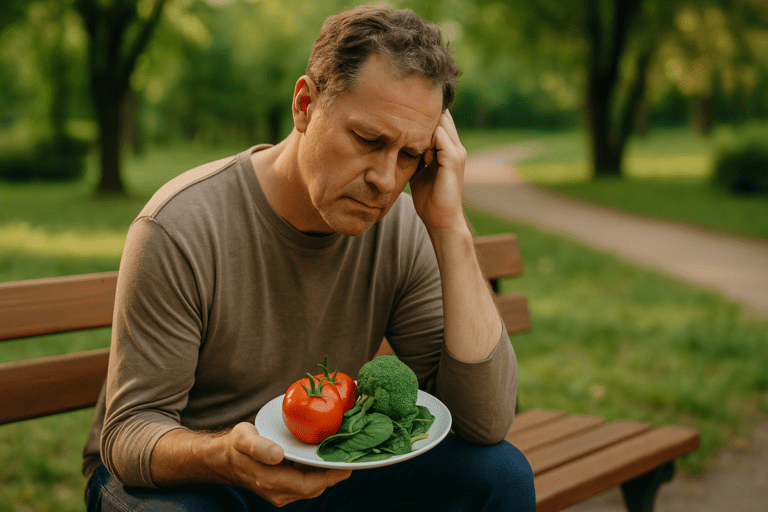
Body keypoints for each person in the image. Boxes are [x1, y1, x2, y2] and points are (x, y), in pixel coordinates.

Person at [83, 5, 535, 511]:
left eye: (410, 155)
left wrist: (450, 229)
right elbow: (127, 434)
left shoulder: (403, 229)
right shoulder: (181, 225)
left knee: (500, 476)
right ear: (304, 104)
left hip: (321, 464)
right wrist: (226, 457)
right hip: (192, 475)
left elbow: (485, 421)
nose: (386, 180)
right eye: (368, 139)